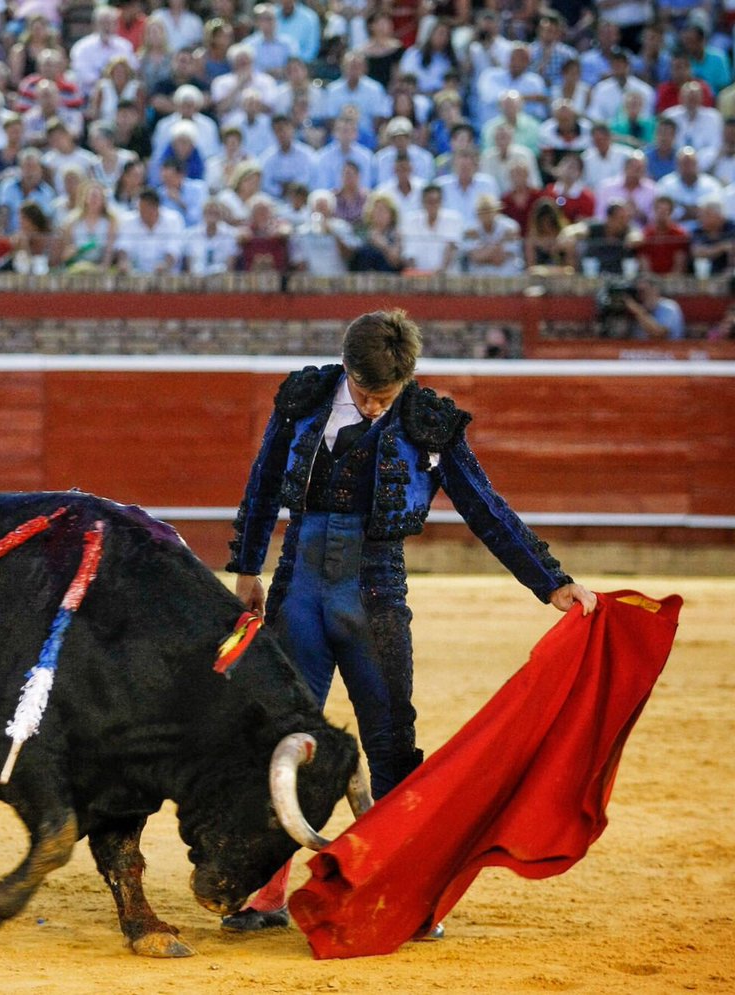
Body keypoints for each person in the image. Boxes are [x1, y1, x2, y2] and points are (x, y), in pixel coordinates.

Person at [221, 308, 596, 932]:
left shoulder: (428, 422)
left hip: (374, 593)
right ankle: (265, 892)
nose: (373, 408)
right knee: (281, 735)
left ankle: (400, 888)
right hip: (298, 585)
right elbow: (263, 485)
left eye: (385, 398)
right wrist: (246, 567)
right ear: (347, 371)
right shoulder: (306, 397)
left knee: (391, 743)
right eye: (366, 395)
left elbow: (484, 507)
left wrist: (550, 581)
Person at [620, 275, 685, 339]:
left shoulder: (668, 306)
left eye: (643, 291)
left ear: (655, 290)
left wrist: (637, 311)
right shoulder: (639, 306)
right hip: (639, 348)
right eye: (638, 292)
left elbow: (659, 334)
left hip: (668, 348)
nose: (640, 296)